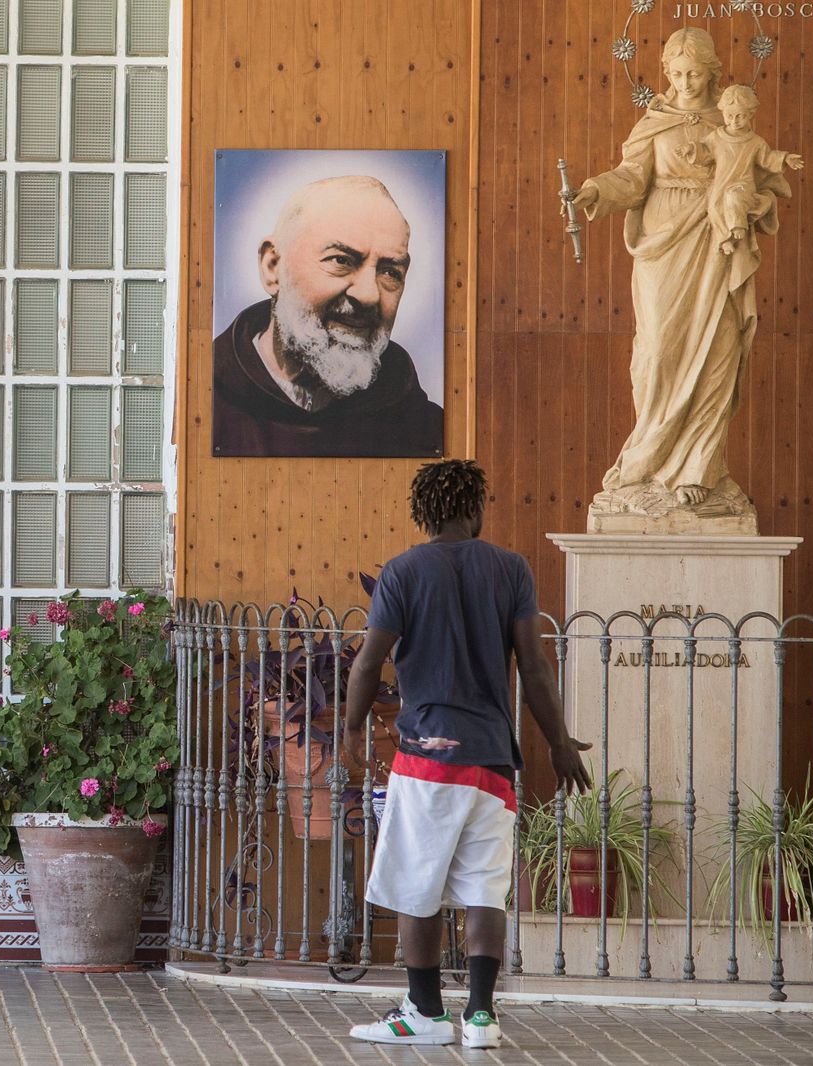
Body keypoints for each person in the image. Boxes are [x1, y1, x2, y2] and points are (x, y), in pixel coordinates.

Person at [342, 459, 591, 1049]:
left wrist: (351, 727)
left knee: (416, 885)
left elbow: (368, 662)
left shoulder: (403, 572)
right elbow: (533, 666)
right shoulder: (511, 569)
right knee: (484, 889)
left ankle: (425, 1012)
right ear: (476, 508)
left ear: (422, 513)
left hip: (428, 759)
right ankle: (481, 1018)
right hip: (493, 762)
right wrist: (558, 743)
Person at [570, 28, 796, 519]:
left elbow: (758, 176)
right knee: (658, 351)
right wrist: (596, 190)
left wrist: (752, 199)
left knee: (719, 347)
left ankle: (698, 468)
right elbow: (632, 178)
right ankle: (647, 461)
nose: (686, 82)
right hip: (665, 241)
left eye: (694, 73)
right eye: (676, 74)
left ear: (712, 73)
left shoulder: (732, 121)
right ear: (666, 74)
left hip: (716, 238)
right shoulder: (655, 122)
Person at [212, 173, 443, 458]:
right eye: (340, 260)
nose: (369, 294)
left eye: (389, 272)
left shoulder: (425, 427)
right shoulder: (203, 405)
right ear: (273, 267)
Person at [677, 84, 803, 258]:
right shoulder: (716, 137)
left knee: (734, 197)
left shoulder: (755, 142)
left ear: (750, 114)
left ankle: (738, 227)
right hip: (721, 183)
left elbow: (767, 158)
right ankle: (725, 239)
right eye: (729, 116)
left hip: (743, 185)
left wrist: (785, 158)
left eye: (740, 116)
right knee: (714, 207)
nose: (734, 121)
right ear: (723, 113)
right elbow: (705, 152)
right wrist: (691, 149)